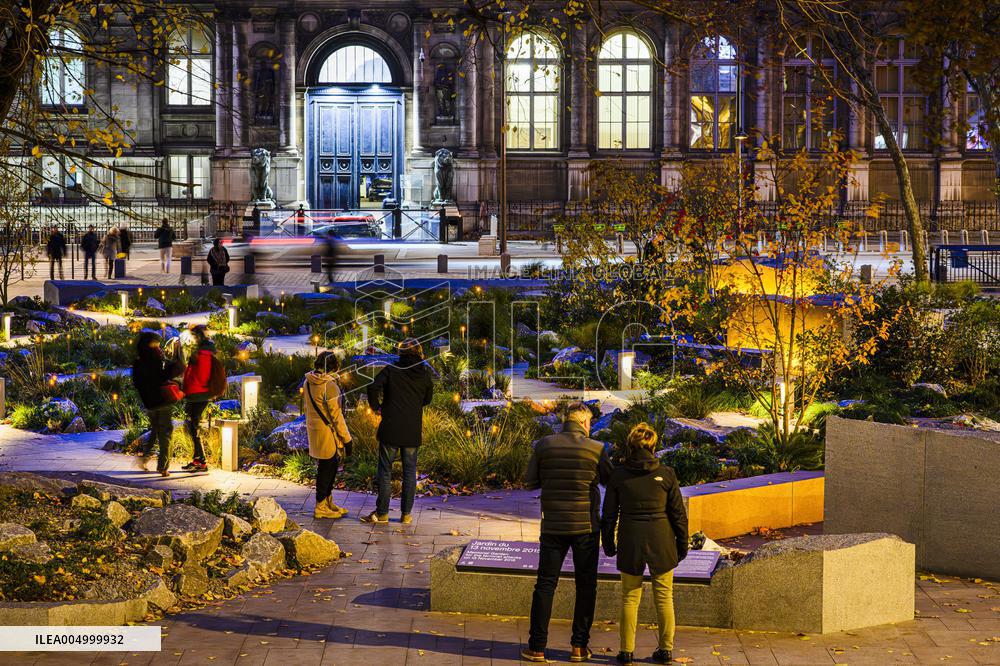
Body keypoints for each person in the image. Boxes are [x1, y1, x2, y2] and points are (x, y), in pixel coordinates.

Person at [521, 402, 613, 664]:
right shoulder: (596, 449)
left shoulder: (544, 445)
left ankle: (537, 647)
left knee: (545, 584)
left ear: (565, 420)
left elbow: (529, 482)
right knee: (586, 586)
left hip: (552, 525)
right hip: (585, 526)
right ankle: (579, 648)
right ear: (585, 423)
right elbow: (609, 480)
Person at [602, 423, 688, 665]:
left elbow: (609, 515)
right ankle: (666, 649)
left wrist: (608, 543)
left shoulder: (619, 475)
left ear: (631, 445)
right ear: (653, 445)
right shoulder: (667, 473)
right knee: (664, 596)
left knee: (630, 597)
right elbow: (678, 515)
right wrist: (682, 544)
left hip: (631, 539)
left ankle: (626, 651)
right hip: (661, 539)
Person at [362, 338, 434, 524]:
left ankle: (383, 514)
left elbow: (372, 386)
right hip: (412, 430)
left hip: (391, 428)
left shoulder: (391, 370)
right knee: (410, 473)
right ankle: (406, 515)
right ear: (419, 352)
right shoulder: (424, 374)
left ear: (401, 353)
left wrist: (376, 407)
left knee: (385, 471)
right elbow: (427, 399)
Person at [304, 351, 353, 519]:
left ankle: (327, 501)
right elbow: (336, 416)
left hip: (314, 430)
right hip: (327, 433)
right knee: (327, 469)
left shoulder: (309, 381)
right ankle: (321, 506)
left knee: (327, 466)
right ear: (332, 367)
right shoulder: (330, 385)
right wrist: (347, 439)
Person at [132, 331, 182, 476]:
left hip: (149, 403)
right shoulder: (154, 359)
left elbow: (137, 383)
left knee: (155, 431)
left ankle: (145, 458)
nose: (158, 346)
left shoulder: (139, 360)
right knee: (165, 434)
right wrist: (173, 367)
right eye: (156, 343)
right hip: (161, 401)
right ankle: (163, 466)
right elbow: (162, 376)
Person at [181, 325, 216, 472]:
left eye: (194, 336)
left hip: (199, 396)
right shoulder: (200, 352)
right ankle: (198, 460)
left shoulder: (204, 354)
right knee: (191, 426)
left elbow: (202, 376)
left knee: (192, 427)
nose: (192, 339)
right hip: (194, 395)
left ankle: (201, 462)